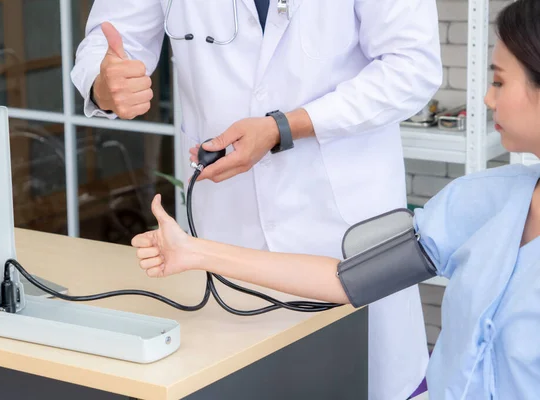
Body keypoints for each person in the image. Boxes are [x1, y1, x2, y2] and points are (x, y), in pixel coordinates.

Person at [132, 0, 540, 398]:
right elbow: (347, 280)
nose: (487, 99)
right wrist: (194, 252)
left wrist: (280, 129)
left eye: (500, 81)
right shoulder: (479, 202)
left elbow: (412, 68)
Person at [71, 1, 443, 399]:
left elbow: (412, 67)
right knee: (241, 379)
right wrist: (104, 84)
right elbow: (110, 42)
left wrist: (283, 127)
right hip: (229, 229)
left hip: (343, 226)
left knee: (361, 377)